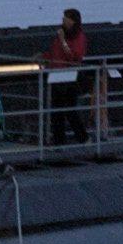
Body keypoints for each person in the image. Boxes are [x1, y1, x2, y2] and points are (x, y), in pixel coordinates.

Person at [45, 8, 90, 144]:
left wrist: (63, 40)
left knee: (69, 109)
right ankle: (59, 141)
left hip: (69, 76)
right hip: (56, 75)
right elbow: (56, 53)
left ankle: (83, 137)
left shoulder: (78, 36)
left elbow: (74, 57)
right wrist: (44, 56)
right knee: (56, 110)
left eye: (67, 18)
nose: (63, 20)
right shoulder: (61, 34)